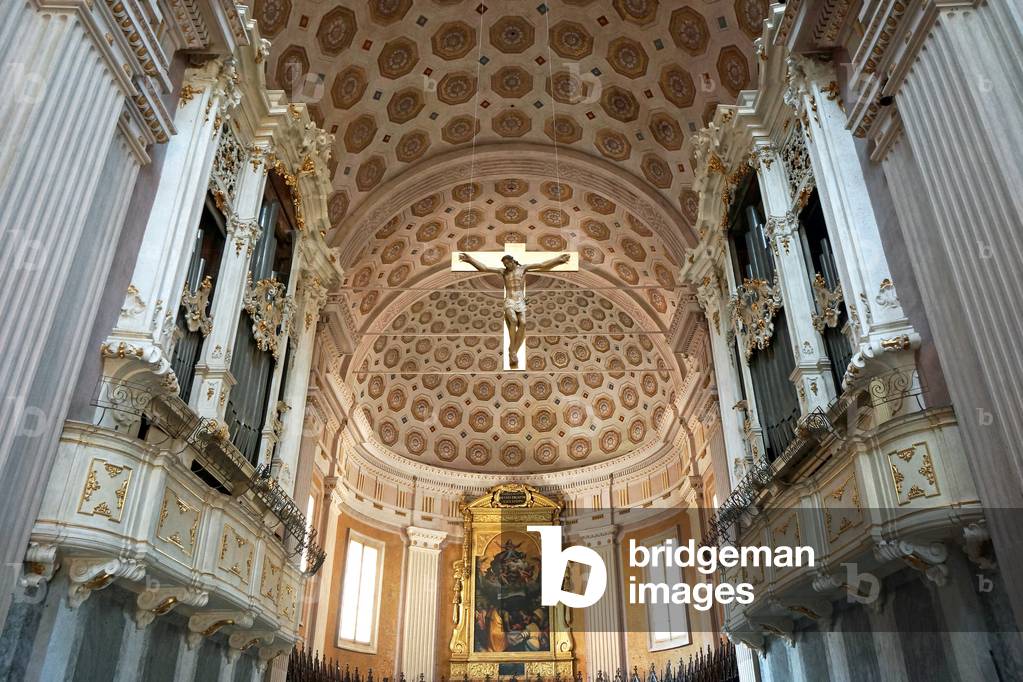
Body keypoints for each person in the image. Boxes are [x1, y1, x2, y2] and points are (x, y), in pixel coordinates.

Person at [459, 251, 570, 367]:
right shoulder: (503, 272)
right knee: (513, 320)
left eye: (508, 263)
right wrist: (470, 260)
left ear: (513, 261)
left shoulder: (523, 268)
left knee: (523, 323)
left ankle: (512, 350)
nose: (507, 266)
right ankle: (512, 351)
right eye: (505, 264)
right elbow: (484, 268)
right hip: (509, 300)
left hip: (520, 300)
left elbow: (542, 265)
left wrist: (558, 260)